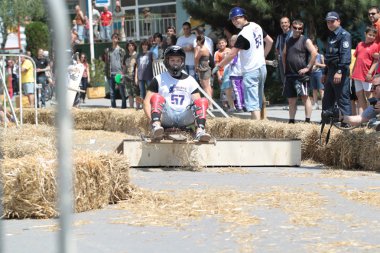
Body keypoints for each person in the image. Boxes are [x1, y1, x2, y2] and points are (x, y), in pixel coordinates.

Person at [214, 7, 273, 120]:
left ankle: (256, 129)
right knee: (259, 99)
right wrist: (262, 56)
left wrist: (219, 65)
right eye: (233, 19)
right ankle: (262, 125)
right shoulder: (256, 26)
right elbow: (269, 41)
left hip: (251, 70)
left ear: (244, 17)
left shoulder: (243, 34)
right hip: (262, 68)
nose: (235, 21)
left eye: (237, 18)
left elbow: (232, 54)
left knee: (253, 103)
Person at [143, 45, 211, 142]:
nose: (175, 64)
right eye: (172, 60)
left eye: (178, 61)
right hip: (166, 116)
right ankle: (156, 127)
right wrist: (151, 119)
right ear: (167, 61)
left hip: (185, 116)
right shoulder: (158, 79)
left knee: (202, 101)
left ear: (182, 62)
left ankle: (200, 131)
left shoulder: (190, 80)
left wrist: (197, 121)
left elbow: (198, 102)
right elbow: (146, 102)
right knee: (156, 97)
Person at [282, 20, 317, 123]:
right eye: (295, 28)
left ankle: (307, 120)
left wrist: (308, 67)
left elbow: (314, 53)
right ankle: (291, 121)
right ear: (292, 28)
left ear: (302, 29)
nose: (297, 30)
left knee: (305, 97)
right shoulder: (288, 41)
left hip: (301, 75)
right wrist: (285, 67)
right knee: (291, 100)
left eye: (300, 28)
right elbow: (284, 54)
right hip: (290, 74)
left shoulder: (305, 40)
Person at [322, 11, 352, 120]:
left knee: (342, 99)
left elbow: (345, 56)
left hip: (340, 71)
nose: (330, 24)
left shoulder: (344, 35)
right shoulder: (331, 36)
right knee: (327, 99)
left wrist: (339, 71)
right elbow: (329, 57)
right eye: (328, 22)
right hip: (330, 71)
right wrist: (324, 73)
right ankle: (326, 123)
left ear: (338, 21)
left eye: (332, 21)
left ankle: (346, 124)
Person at [351, 26, 378, 115]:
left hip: (367, 74)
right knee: (359, 95)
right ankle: (367, 115)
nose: (371, 37)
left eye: (374, 35)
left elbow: (376, 61)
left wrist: (370, 72)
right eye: (370, 34)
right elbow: (357, 59)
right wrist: (352, 72)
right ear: (365, 34)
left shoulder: (375, 46)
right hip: (357, 74)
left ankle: (373, 115)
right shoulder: (359, 44)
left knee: (369, 94)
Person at [105, 33, 126, 108]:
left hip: (118, 74)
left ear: (118, 39)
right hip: (110, 74)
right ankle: (113, 107)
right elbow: (107, 63)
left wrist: (123, 73)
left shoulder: (121, 50)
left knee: (121, 91)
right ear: (111, 39)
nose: (114, 39)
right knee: (111, 92)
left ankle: (124, 107)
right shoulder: (108, 50)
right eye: (113, 37)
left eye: (116, 38)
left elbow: (124, 63)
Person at [194, 35, 212, 106]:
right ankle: (210, 104)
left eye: (197, 41)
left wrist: (196, 49)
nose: (196, 42)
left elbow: (196, 58)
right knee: (208, 86)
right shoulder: (205, 48)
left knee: (205, 87)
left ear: (199, 41)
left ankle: (209, 104)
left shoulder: (202, 50)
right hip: (206, 68)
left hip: (203, 69)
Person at [228, 35, 244, 112]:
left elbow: (232, 61)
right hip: (243, 73)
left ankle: (240, 106)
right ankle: (244, 105)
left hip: (235, 73)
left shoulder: (233, 51)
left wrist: (227, 57)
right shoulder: (243, 50)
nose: (231, 42)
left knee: (237, 91)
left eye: (232, 41)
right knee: (243, 90)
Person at [275, 17, 293, 85]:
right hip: (282, 62)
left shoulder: (293, 34)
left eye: (285, 22)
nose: (283, 24)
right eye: (282, 23)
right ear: (280, 25)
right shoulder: (279, 37)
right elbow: (276, 49)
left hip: (291, 61)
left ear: (289, 24)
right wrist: (278, 58)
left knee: (293, 81)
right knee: (285, 81)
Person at [123, 40, 139, 108]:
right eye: (129, 46)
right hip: (127, 77)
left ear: (134, 46)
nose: (131, 47)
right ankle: (131, 108)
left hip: (134, 77)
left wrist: (136, 78)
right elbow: (124, 67)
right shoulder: (126, 56)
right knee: (129, 94)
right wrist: (123, 75)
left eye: (132, 45)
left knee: (137, 94)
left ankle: (138, 108)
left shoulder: (137, 55)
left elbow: (137, 68)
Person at [310, 42, 326, 110]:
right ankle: (315, 104)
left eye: (314, 48)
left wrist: (318, 64)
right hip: (312, 74)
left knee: (321, 90)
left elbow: (325, 65)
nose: (313, 49)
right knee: (314, 90)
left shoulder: (320, 56)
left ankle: (324, 104)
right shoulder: (310, 57)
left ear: (317, 48)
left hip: (319, 73)